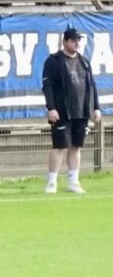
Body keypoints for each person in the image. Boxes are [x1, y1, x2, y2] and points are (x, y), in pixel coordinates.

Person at [43, 24, 101, 194]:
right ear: (65, 41)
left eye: (78, 40)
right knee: (59, 146)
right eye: (74, 40)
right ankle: (52, 182)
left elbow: (92, 86)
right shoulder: (54, 61)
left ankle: (73, 182)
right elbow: (47, 86)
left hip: (81, 111)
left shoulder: (84, 61)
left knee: (76, 146)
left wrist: (95, 107)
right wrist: (51, 108)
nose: (77, 43)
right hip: (62, 110)